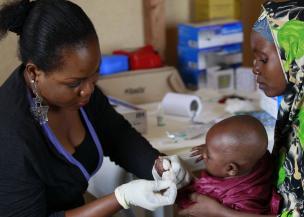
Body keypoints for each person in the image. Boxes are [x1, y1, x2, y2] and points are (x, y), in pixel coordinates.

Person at [0, 0, 191, 217]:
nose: (89, 90)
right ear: (34, 73)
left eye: (95, 73)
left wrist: (157, 165)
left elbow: (117, 135)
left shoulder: (82, 95)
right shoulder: (9, 134)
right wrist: (121, 198)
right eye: (75, 83)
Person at [178, 1, 304, 217]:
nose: (255, 67)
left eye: (263, 59)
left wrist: (221, 213)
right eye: (255, 58)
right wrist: (218, 153)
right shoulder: (297, 106)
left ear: (297, 59)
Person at [176, 115, 280, 215]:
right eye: (206, 145)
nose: (203, 154)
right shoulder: (256, 159)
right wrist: (213, 149)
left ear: (231, 169)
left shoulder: (242, 201)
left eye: (208, 155)